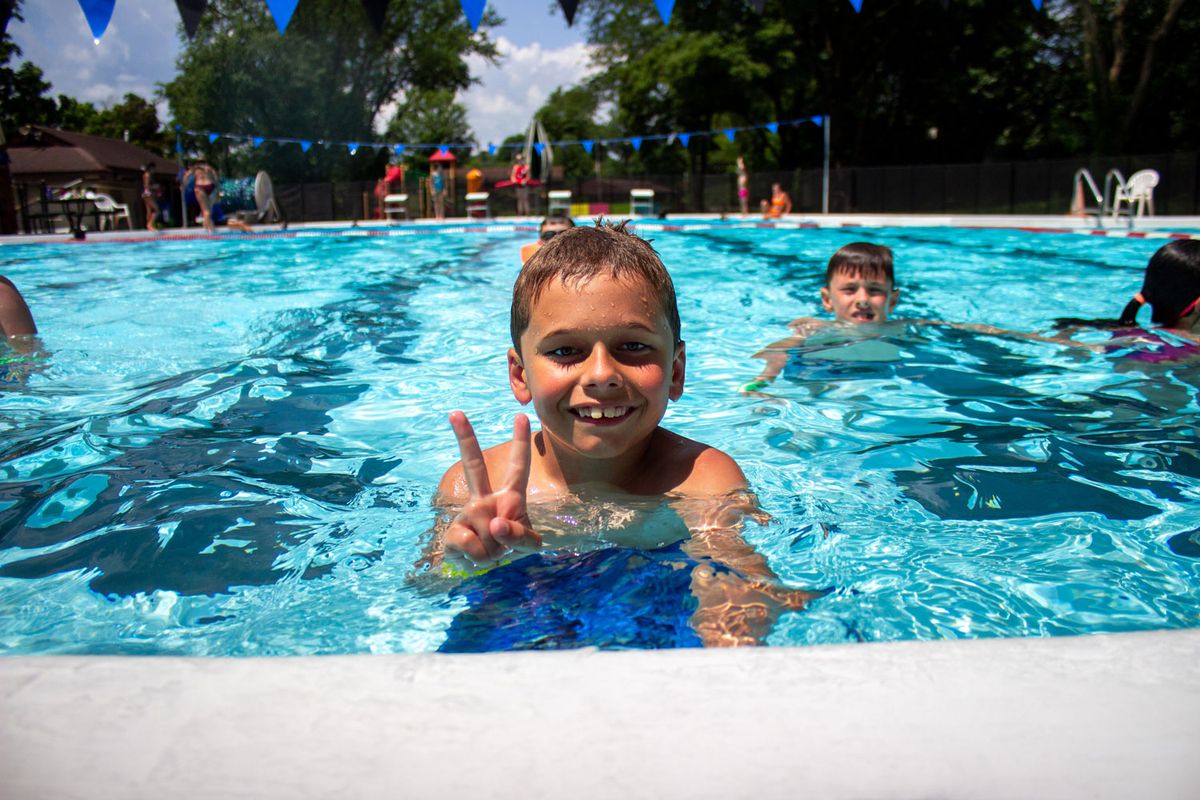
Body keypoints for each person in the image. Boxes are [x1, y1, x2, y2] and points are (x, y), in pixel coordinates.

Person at [430, 221, 816, 648]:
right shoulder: (473, 486)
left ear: (675, 370)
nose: (601, 374)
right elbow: (428, 589)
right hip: (518, 602)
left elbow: (746, 588)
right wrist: (464, 562)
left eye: (633, 346)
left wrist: (730, 620)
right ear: (520, 375)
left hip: (657, 601)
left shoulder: (703, 480)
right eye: (564, 351)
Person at [743, 242, 900, 391]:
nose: (863, 300)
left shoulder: (901, 330)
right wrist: (765, 376)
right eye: (849, 290)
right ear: (827, 300)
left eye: (874, 290)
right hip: (822, 374)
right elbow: (784, 347)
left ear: (892, 301)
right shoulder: (821, 329)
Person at [186, 161, 219, 232]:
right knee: (209, 210)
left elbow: (186, 176)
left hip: (200, 187)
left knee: (206, 211)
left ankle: (206, 230)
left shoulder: (195, 169)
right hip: (211, 186)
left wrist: (183, 185)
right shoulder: (209, 168)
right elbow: (216, 179)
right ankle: (211, 228)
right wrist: (218, 191)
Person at [140, 163, 159, 232]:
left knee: (149, 210)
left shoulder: (145, 174)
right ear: (151, 168)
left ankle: (148, 226)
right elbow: (146, 186)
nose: (154, 170)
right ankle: (150, 225)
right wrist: (155, 186)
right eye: (154, 169)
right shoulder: (147, 175)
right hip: (147, 193)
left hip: (145, 193)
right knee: (156, 210)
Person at [511, 152, 530, 216]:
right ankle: (520, 214)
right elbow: (512, 176)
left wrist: (525, 180)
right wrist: (514, 180)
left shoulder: (526, 167)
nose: (519, 161)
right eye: (518, 160)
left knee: (525, 199)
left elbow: (528, 176)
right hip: (518, 185)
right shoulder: (515, 167)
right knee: (519, 200)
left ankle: (527, 214)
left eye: (520, 159)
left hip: (525, 185)